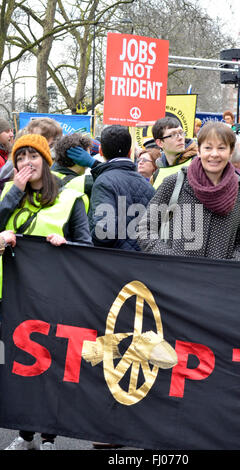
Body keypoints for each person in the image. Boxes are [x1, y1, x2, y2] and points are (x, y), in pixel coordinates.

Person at [1, 134, 92, 450]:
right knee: (20, 366)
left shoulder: (70, 199)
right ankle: (26, 435)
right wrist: (13, 193)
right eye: (21, 158)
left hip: (54, 297)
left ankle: (49, 436)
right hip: (14, 295)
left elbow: (86, 246)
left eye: (33, 156)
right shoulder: (10, 195)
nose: (27, 163)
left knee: (49, 365)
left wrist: (65, 246)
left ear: (46, 160)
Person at [137, 121, 240, 260]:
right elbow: (145, 229)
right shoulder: (175, 183)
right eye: (208, 148)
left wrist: (229, 267)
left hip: (218, 279)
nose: (214, 154)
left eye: (221, 148)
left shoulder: (239, 191)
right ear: (199, 151)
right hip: (176, 277)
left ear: (231, 151)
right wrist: (170, 259)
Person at [88, 125, 155, 251]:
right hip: (143, 261)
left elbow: (104, 231)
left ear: (100, 151)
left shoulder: (104, 182)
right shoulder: (147, 185)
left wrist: (86, 246)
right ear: (129, 152)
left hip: (113, 261)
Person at [151, 116, 198, 189]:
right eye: (173, 135)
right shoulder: (156, 174)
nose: (180, 137)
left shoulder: (197, 164)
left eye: (181, 132)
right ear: (160, 143)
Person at [52, 133, 93, 212]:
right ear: (79, 156)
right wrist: (93, 163)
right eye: (88, 155)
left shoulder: (48, 175)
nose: (89, 158)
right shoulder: (85, 182)